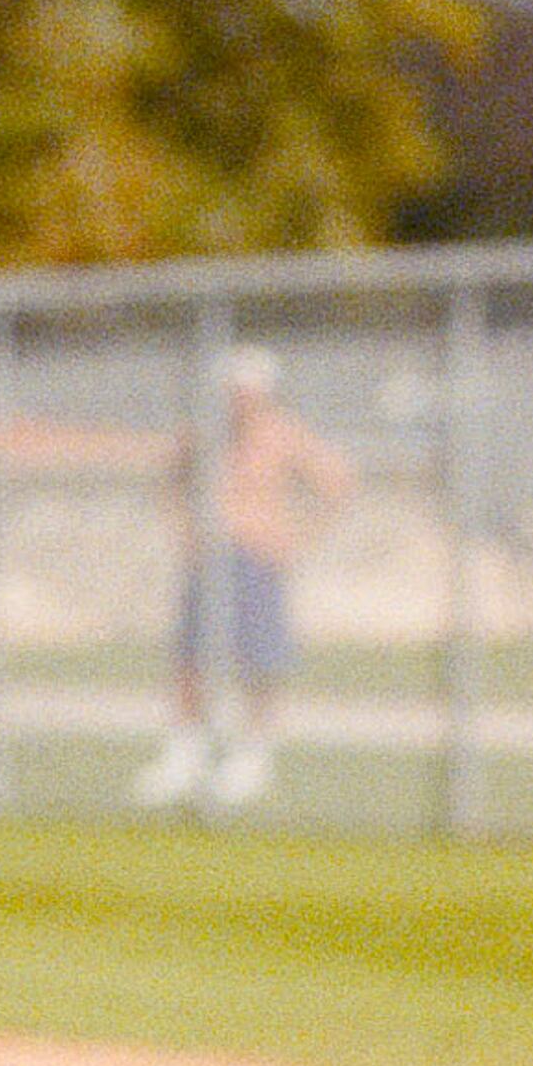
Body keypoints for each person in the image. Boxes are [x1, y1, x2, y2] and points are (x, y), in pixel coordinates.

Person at [132, 347, 356, 810]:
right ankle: (185, 754)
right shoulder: (206, 433)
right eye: (232, 392)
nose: (239, 401)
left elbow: (336, 484)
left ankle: (252, 756)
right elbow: (167, 477)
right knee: (191, 658)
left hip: (258, 556)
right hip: (210, 558)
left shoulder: (283, 433)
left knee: (260, 660)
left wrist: (296, 537)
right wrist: (184, 530)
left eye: (246, 393)